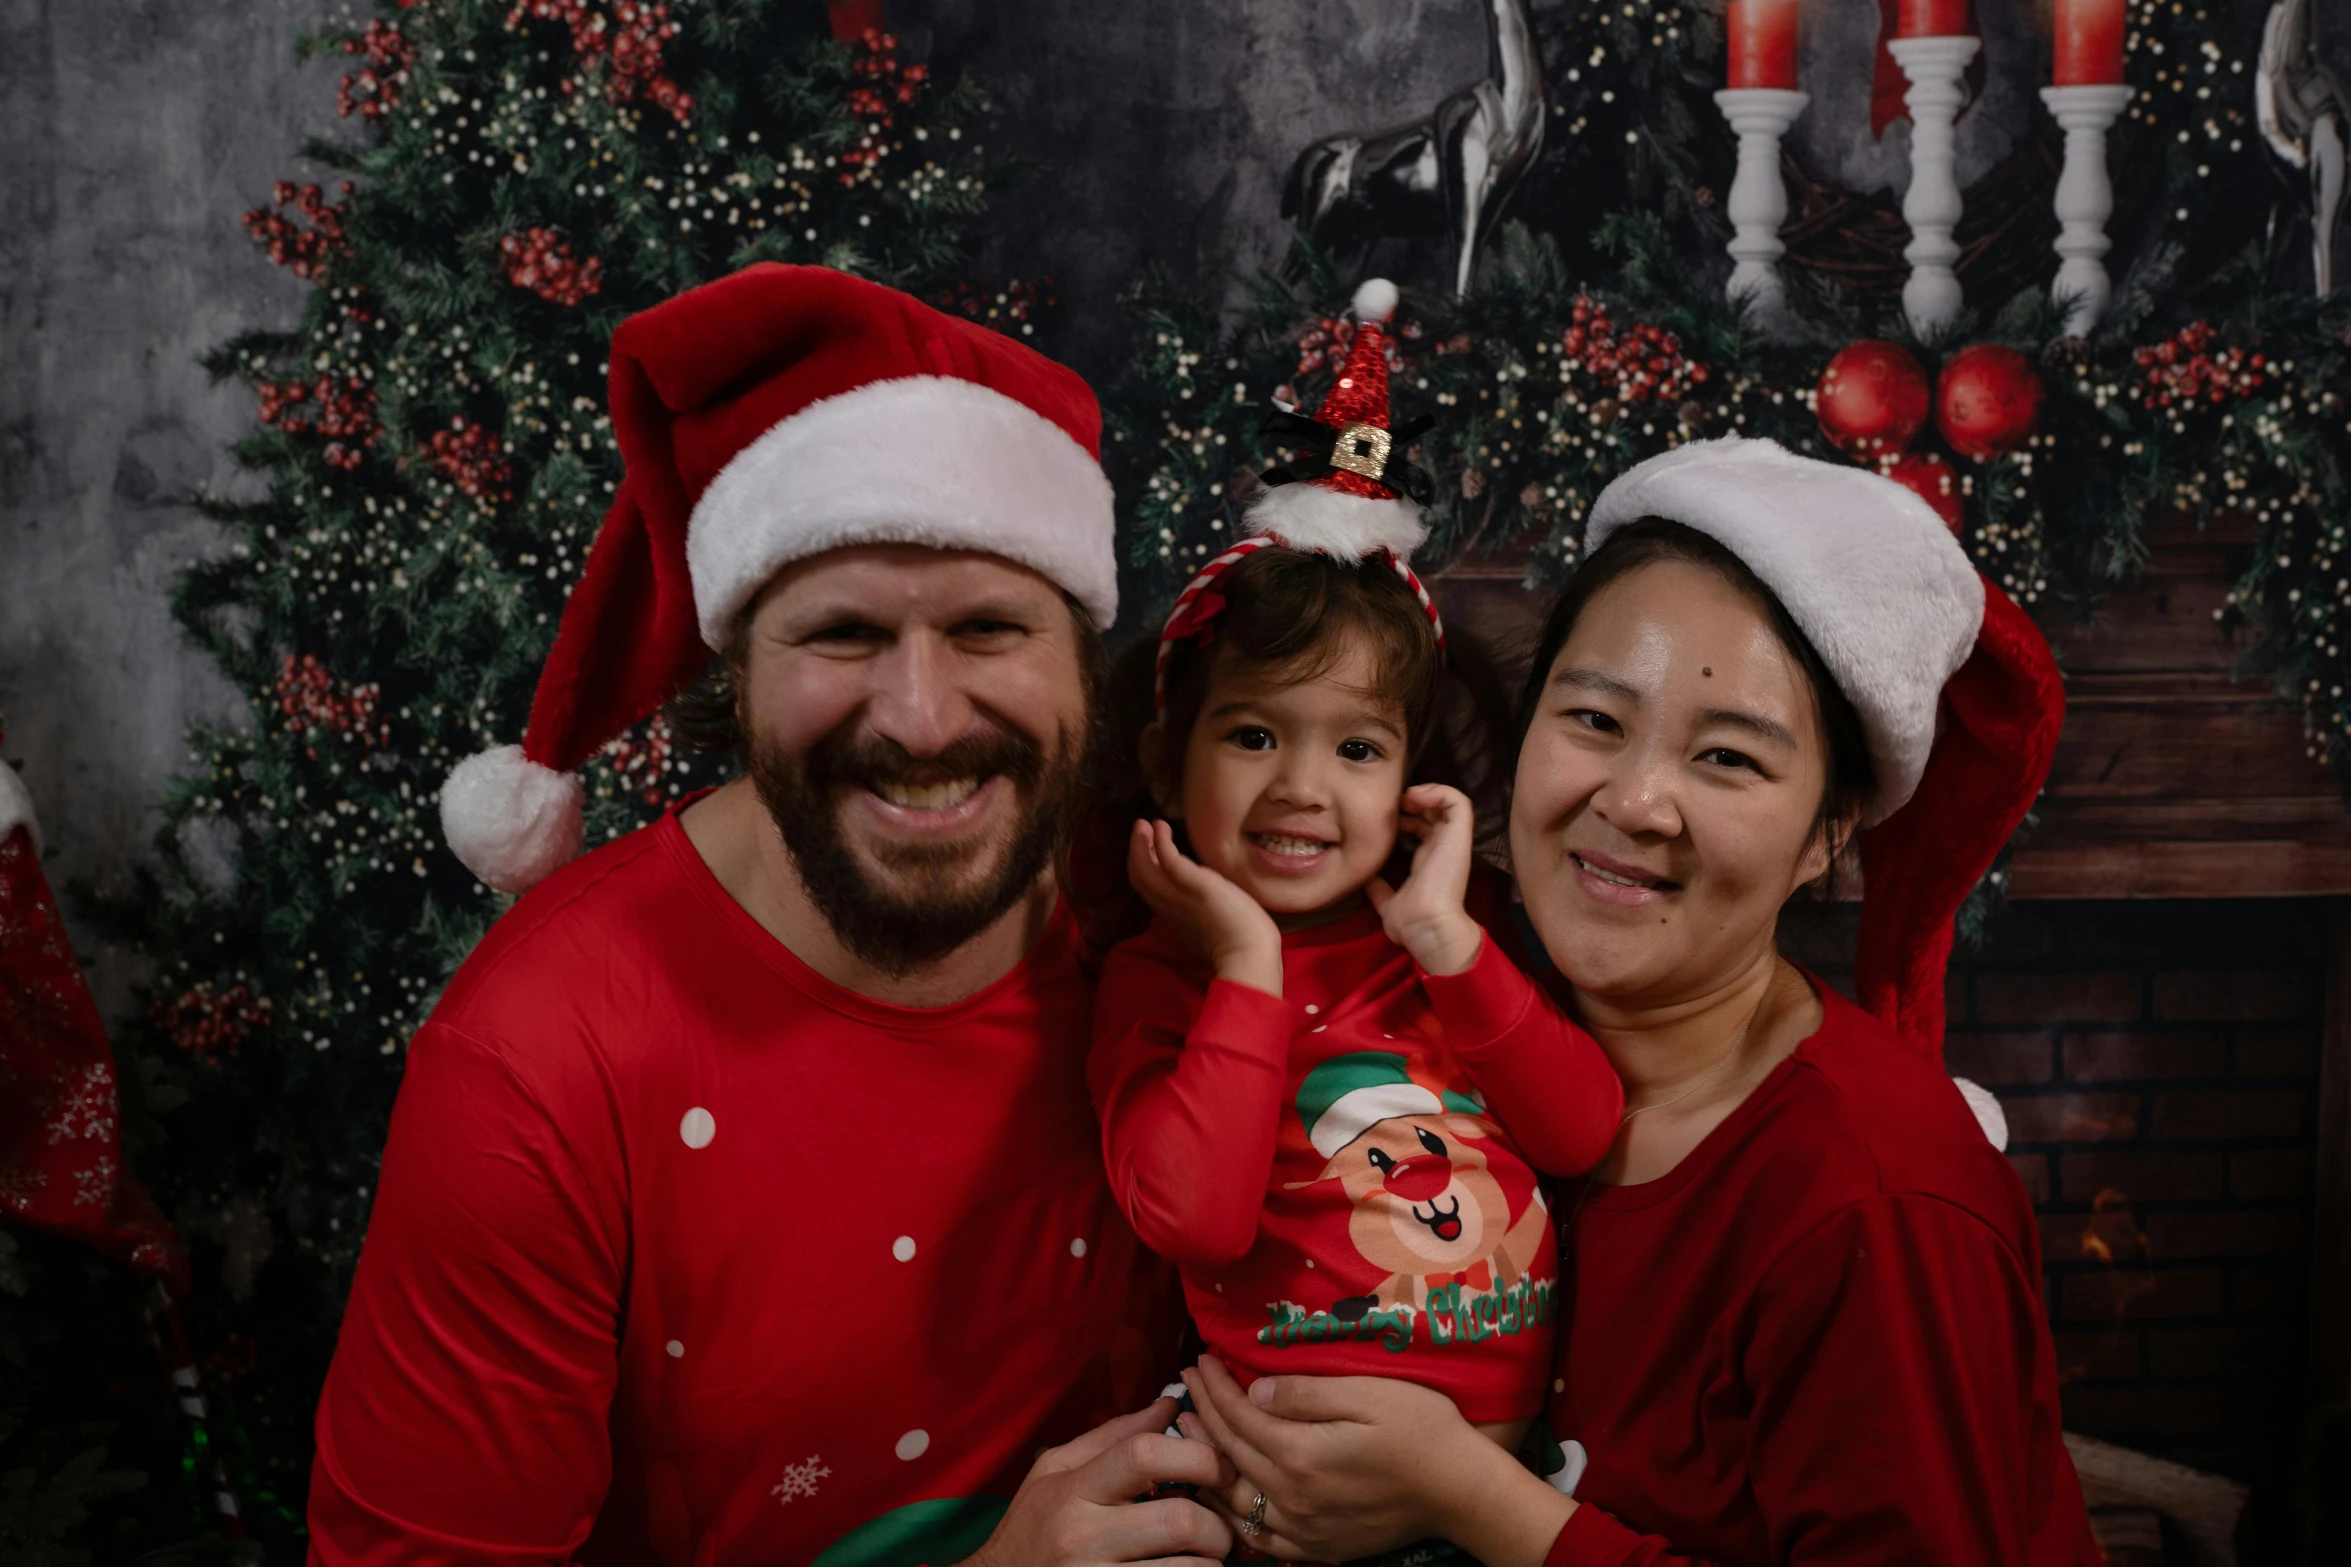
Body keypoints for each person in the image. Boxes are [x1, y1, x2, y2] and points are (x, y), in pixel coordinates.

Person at [307, 265, 1233, 1566]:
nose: (921, 715)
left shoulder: (1185, 919)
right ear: (730, 672)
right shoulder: (541, 1063)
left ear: (1082, 660)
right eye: (842, 632)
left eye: (986, 625)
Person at [1177, 436, 2100, 1565]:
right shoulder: (1432, 1013)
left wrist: (1473, 1498)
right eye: (1595, 722)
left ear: (1829, 832)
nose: (1635, 800)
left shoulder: (1873, 1201)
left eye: (1727, 759)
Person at [1087, 284, 1622, 1564]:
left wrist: (1447, 943)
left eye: (1358, 746)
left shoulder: (1452, 934)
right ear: (1170, 764)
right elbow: (1200, 1222)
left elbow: (1582, 1129)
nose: (1302, 789)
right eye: (1254, 734)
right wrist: (1248, 967)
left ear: (1408, 780)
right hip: (1288, 1496)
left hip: (1494, 1489)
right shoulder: (1159, 980)